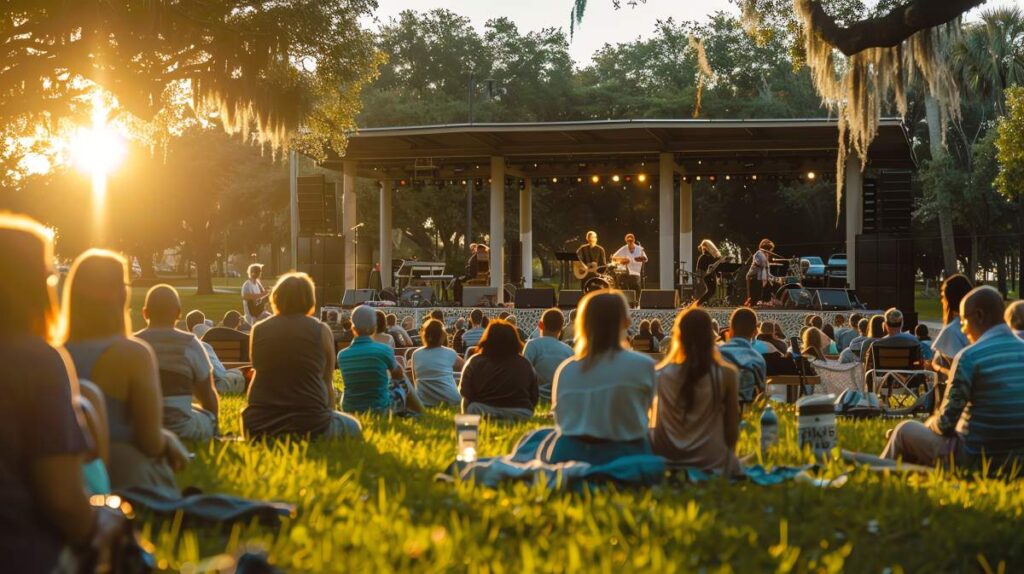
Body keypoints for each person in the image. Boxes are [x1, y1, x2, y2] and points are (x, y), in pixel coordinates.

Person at [0, 214, 126, 572]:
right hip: (23, 554)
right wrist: (101, 521)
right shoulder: (36, 361)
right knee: (111, 517)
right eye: (48, 275)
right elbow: (64, 501)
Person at [61, 249, 190, 494]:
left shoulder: (54, 352)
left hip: (66, 479)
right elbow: (150, 442)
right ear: (119, 294)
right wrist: (169, 440)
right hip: (124, 475)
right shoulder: (133, 354)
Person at [882, 286, 1024, 468]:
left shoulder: (970, 357)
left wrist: (928, 426)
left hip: (977, 457)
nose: (963, 330)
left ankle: (878, 478)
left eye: (964, 321)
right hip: (1018, 461)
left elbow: (945, 424)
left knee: (904, 431)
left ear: (979, 316)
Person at [242, 273, 361, 439]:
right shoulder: (321, 330)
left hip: (259, 424)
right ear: (309, 299)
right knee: (353, 426)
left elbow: (259, 373)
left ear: (276, 297)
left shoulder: (259, 329)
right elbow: (327, 382)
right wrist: (329, 414)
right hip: (310, 423)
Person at [545, 290, 656, 464]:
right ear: (626, 323)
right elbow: (650, 417)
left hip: (569, 454)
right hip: (626, 454)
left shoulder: (566, 369)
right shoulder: (643, 365)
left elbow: (561, 422)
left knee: (538, 438)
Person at [650, 308, 741, 475]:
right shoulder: (726, 374)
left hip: (669, 461)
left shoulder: (659, 375)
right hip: (712, 460)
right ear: (710, 336)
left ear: (678, 336)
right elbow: (731, 429)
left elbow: (654, 424)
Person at [135, 284, 220, 440]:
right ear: (179, 313)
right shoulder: (190, 343)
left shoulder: (132, 344)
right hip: (181, 428)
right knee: (207, 417)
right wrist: (216, 427)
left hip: (139, 429)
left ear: (145, 313)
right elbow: (207, 394)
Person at [338, 305, 423, 414]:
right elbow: (397, 376)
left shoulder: (342, 355)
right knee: (402, 376)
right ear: (374, 327)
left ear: (353, 327)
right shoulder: (384, 350)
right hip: (380, 408)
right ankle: (420, 411)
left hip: (350, 409)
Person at [459, 320, 538, 420]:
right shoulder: (526, 364)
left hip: (481, 410)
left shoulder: (474, 362)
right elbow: (534, 396)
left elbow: (465, 392)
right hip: (520, 412)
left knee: (470, 405)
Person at [523, 308, 575, 402]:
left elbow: (524, 373)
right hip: (560, 398)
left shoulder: (532, 345)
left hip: (536, 397)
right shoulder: (569, 351)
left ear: (540, 325)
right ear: (561, 328)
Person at [410, 319, 465, 407]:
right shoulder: (450, 353)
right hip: (450, 400)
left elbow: (415, 381)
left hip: (423, 401)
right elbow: (466, 369)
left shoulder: (416, 354)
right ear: (442, 336)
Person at [718, 307, 768, 401]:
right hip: (745, 411)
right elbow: (760, 396)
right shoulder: (757, 359)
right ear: (755, 332)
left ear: (730, 329)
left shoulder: (716, 355)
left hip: (718, 411)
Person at [931, 274, 973, 378]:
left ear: (948, 300)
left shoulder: (952, 330)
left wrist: (936, 367)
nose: (941, 301)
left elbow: (957, 373)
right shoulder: (979, 326)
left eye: (943, 297)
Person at [863, 308, 922, 376]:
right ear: (902, 323)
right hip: (908, 382)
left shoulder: (875, 345)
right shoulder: (914, 342)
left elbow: (868, 370)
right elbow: (919, 365)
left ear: (885, 325)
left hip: (883, 383)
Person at [611, 233, 648, 299]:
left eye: (631, 241)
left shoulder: (639, 249)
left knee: (636, 288)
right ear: (626, 241)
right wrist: (623, 260)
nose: (630, 242)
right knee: (624, 285)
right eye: (628, 241)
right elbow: (613, 257)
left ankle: (637, 303)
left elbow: (646, 259)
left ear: (634, 240)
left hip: (636, 273)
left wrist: (640, 258)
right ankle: (627, 302)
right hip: (626, 273)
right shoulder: (624, 248)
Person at [744, 238, 775, 306]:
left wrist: (772, 278)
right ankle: (759, 301)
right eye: (770, 250)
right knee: (765, 283)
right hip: (753, 276)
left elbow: (766, 271)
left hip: (759, 276)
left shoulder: (765, 256)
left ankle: (767, 301)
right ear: (767, 249)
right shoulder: (758, 254)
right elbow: (762, 267)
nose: (770, 252)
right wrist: (767, 279)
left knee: (772, 283)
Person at [695, 239, 723, 306]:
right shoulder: (703, 257)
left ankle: (701, 303)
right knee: (711, 291)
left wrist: (718, 277)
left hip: (710, 276)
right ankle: (698, 303)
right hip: (706, 276)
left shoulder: (709, 257)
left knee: (712, 291)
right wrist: (698, 279)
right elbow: (699, 269)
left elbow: (715, 267)